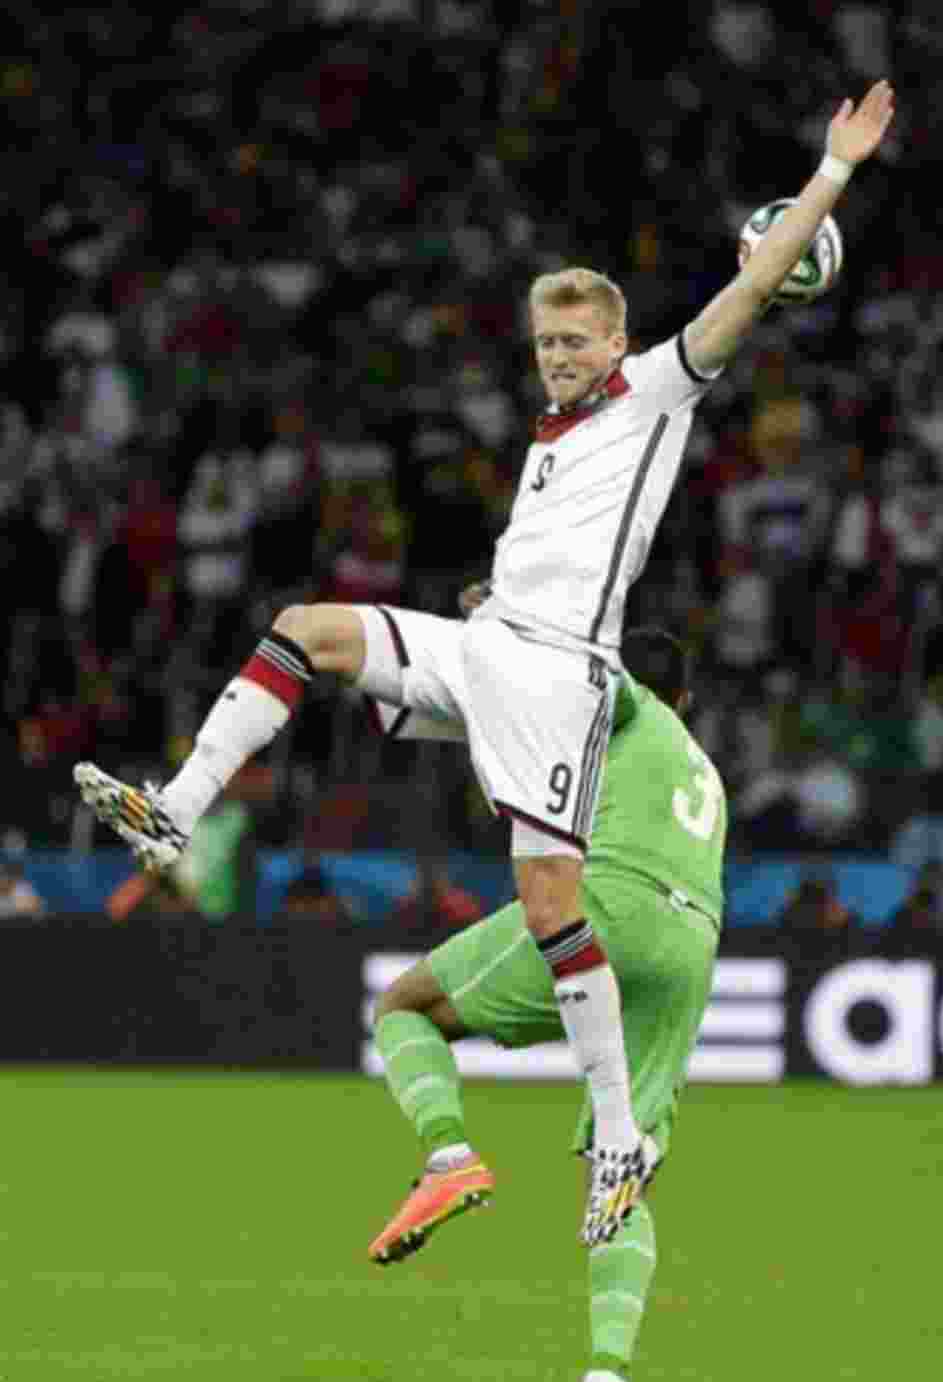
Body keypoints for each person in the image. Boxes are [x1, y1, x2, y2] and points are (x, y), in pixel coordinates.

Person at [73, 81, 895, 1249]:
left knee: (549, 903)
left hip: (563, 676)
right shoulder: (549, 436)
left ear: (617, 340)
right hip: (494, 641)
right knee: (307, 628)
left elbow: (753, 288)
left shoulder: (656, 390)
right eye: (546, 343)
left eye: (577, 340)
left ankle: (616, 1136)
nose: (558, 357)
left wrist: (833, 172)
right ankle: (173, 813)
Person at [366, 624, 725, 1382]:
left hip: (613, 906)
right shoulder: (703, 768)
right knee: (620, 1158)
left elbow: (586, 677)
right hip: (694, 940)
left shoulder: (630, 710)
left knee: (405, 1007)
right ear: (693, 697)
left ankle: (449, 1154)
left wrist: (509, 622)